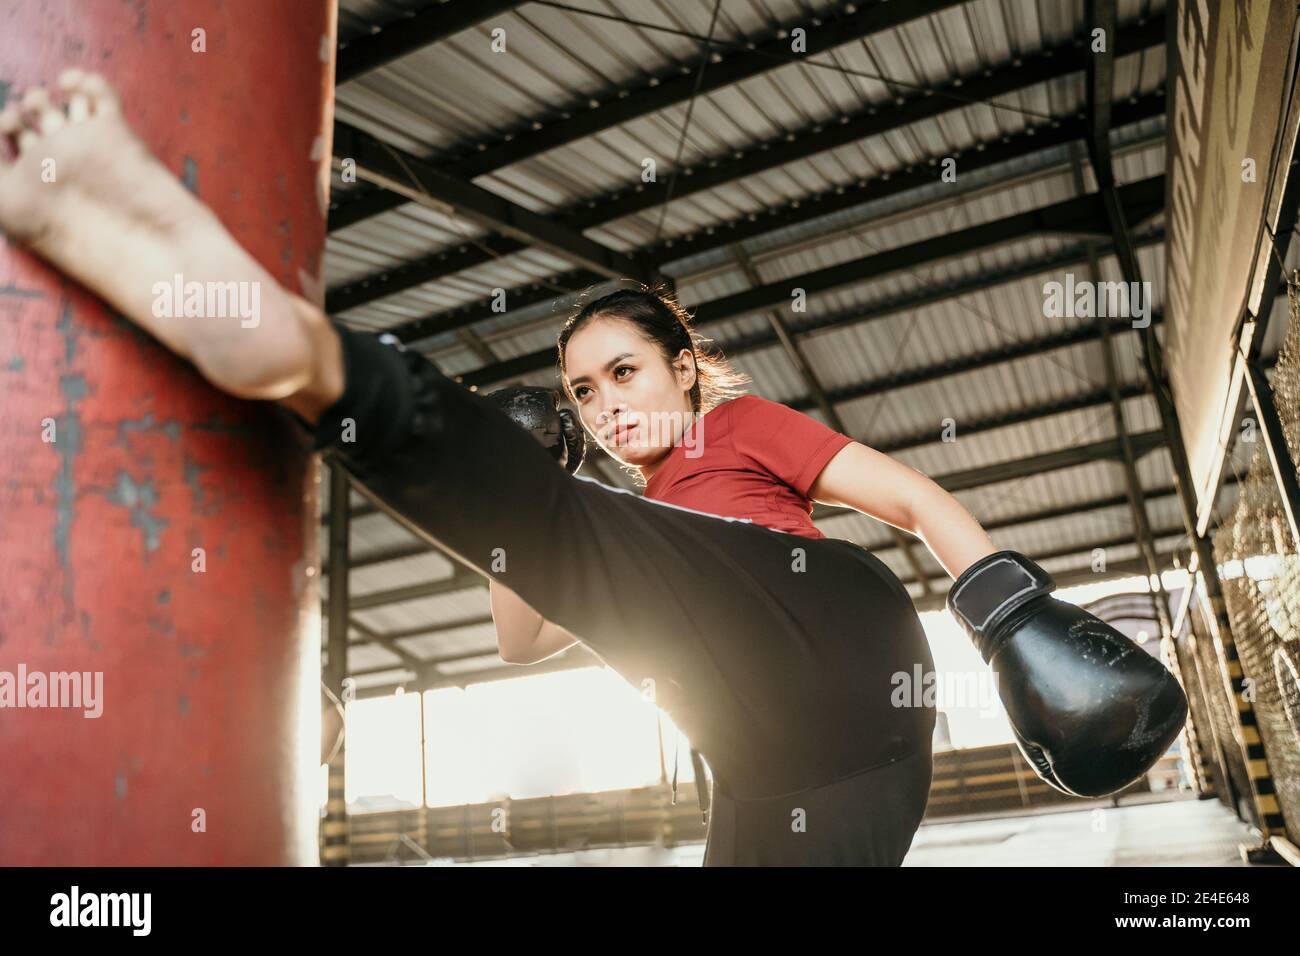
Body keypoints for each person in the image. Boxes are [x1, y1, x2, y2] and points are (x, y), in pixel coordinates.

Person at [0, 72, 1186, 866]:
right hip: (771, 755)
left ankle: (292, 349)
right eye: (582, 392)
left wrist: (1009, 613)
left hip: (830, 630)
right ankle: (300, 362)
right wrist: (531, 470)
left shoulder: (740, 429)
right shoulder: (616, 529)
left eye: (625, 374)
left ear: (682, 369)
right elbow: (522, 631)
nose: (606, 403)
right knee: (560, 530)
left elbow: (913, 498)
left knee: (584, 532)